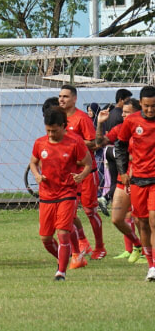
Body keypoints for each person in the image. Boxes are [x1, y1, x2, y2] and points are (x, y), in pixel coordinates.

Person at [29, 107, 92, 281]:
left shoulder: (75, 142)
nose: (51, 134)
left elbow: (88, 163)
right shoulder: (40, 143)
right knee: (45, 238)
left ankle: (61, 272)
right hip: (47, 195)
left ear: (63, 126)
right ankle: (67, 256)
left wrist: (81, 175)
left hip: (67, 192)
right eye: (48, 130)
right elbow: (33, 162)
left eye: (55, 131)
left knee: (63, 233)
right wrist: (36, 175)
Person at [59, 85, 106, 259]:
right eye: (60, 96)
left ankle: (100, 247)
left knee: (89, 211)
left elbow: (94, 144)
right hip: (68, 174)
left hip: (86, 172)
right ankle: (83, 243)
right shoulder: (58, 117)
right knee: (67, 212)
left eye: (65, 96)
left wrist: (73, 141)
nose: (61, 99)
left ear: (74, 99)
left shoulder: (82, 118)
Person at [96, 99, 143, 262]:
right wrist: (100, 124)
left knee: (140, 218)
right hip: (123, 180)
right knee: (117, 219)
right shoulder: (120, 129)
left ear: (139, 112)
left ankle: (146, 254)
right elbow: (99, 143)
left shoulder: (145, 128)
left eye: (127, 112)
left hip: (142, 179)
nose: (122, 115)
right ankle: (137, 245)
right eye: (122, 112)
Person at [116, 86, 155, 281]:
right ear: (141, 104)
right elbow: (120, 145)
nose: (150, 110)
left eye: (153, 106)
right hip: (138, 179)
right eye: (147, 106)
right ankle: (151, 266)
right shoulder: (132, 121)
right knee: (142, 224)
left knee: (154, 220)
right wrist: (123, 172)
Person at [100, 89, 133, 211]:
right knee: (118, 178)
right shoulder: (120, 120)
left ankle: (108, 197)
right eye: (127, 100)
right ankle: (108, 197)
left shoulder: (112, 113)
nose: (123, 115)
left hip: (108, 150)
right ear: (121, 100)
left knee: (114, 179)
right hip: (115, 149)